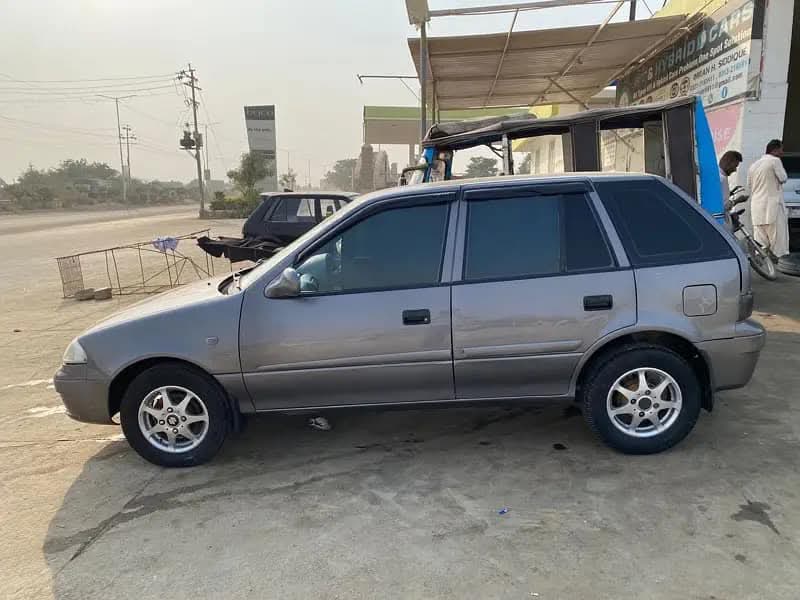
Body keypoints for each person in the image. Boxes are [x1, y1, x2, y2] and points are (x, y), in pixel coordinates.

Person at [748, 139, 789, 259]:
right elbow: (783, 178)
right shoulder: (775, 161)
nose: (782, 152)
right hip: (773, 207)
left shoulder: (753, 165)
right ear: (775, 150)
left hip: (756, 208)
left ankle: (764, 267)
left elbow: (749, 185)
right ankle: (779, 268)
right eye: (781, 149)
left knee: (760, 241)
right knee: (777, 241)